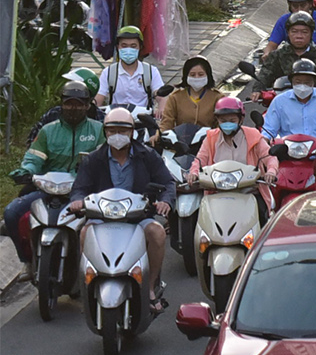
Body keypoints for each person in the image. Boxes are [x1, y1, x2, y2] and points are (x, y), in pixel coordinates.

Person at [67, 107, 176, 311]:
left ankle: (150, 286)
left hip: (137, 216)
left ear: (132, 132)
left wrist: (165, 201)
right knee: (84, 233)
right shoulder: (93, 159)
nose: (117, 135)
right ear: (105, 132)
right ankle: (89, 286)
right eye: (112, 130)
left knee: (157, 233)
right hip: (103, 217)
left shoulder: (147, 155)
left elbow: (167, 183)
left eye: (123, 130)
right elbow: (79, 188)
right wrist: (78, 201)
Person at [6, 83, 103, 263]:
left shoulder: (98, 130)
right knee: (12, 213)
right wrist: (25, 170)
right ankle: (27, 261)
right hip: (49, 189)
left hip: (84, 191)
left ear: (87, 105)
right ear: (62, 104)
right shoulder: (48, 131)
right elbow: (34, 158)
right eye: (69, 103)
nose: (73, 108)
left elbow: (104, 160)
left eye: (79, 104)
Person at [97, 25, 164, 111]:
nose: (128, 50)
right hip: (115, 118)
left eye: (133, 46)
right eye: (124, 46)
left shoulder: (151, 71)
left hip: (143, 119)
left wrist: (162, 108)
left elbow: (161, 96)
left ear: (140, 47)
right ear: (118, 47)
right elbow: (99, 97)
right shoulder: (109, 72)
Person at [157, 55, 222, 131]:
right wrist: (159, 135)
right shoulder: (175, 97)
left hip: (209, 140)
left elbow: (222, 124)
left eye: (201, 74)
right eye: (192, 75)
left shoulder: (218, 98)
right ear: (186, 76)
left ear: (208, 75)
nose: (197, 77)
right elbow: (167, 122)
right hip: (182, 141)